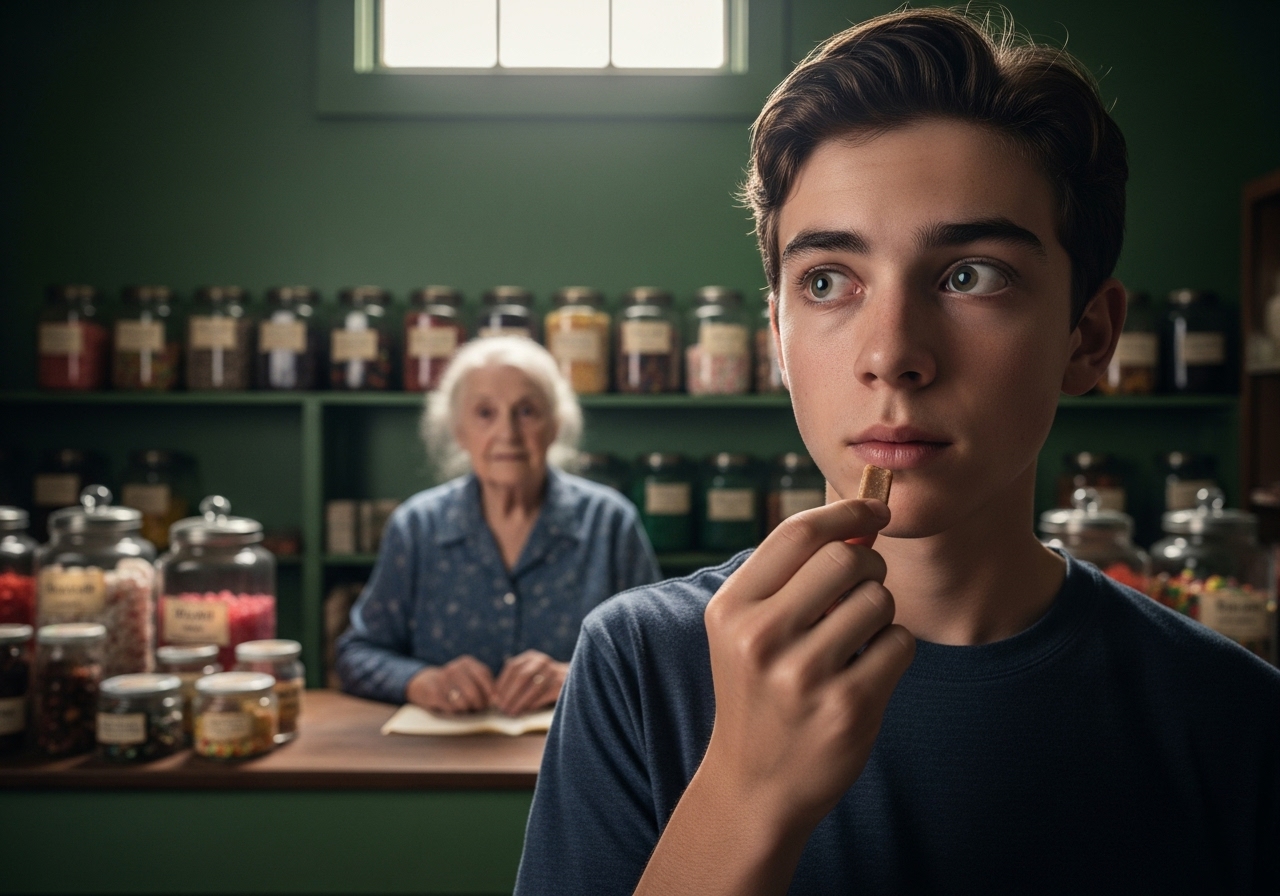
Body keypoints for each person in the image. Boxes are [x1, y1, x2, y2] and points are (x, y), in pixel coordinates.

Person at [515, 9, 1280, 895]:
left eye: (971, 275)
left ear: (1090, 337)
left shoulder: (1236, 717)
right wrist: (745, 794)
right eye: (828, 281)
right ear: (777, 336)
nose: (891, 354)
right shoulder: (638, 668)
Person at [336, 336, 661, 716]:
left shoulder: (610, 522)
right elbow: (356, 653)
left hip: (577, 750)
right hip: (443, 749)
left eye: (526, 411)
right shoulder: (416, 526)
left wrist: (575, 676)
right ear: (459, 430)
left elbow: (660, 656)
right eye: (485, 413)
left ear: (555, 425)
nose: (507, 433)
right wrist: (420, 681)